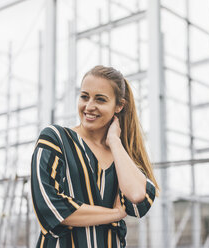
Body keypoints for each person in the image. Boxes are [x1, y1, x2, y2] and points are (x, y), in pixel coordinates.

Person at [30, 65, 159, 248]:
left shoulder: (122, 156)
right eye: (84, 97)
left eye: (100, 100)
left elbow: (138, 198)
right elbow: (50, 208)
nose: (89, 107)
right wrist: (115, 214)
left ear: (119, 106)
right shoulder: (55, 139)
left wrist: (114, 141)